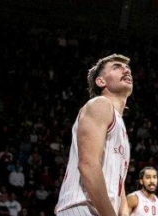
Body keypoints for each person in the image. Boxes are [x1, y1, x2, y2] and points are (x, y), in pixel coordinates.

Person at [55, 54, 134, 216]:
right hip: (81, 207)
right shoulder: (100, 104)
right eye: (117, 67)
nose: (126, 70)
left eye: (127, 68)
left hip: (100, 210)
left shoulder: (119, 124)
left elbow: (119, 188)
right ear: (101, 81)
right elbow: (88, 165)